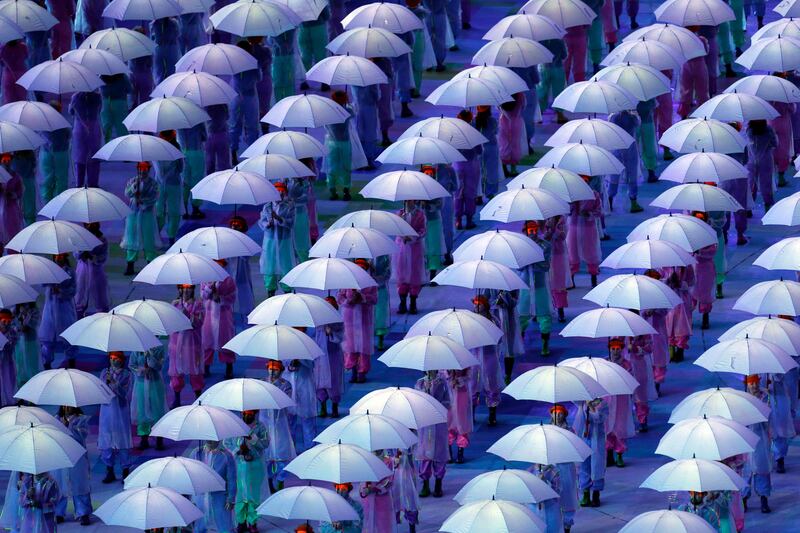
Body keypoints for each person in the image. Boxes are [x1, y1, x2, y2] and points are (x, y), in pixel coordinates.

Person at [226, 410, 268, 533]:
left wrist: (253, 439)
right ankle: (241, 522)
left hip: (255, 466)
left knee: (253, 496)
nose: (246, 416)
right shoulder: (235, 426)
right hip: (239, 466)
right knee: (240, 495)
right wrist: (237, 450)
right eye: (245, 414)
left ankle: (253, 522)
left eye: (249, 414)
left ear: (255, 414)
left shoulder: (260, 427)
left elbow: (265, 444)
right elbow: (227, 442)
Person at [338, 259, 378, 383]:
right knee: (350, 346)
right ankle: (353, 370)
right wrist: (348, 301)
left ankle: (362, 372)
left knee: (364, 347)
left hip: (364, 319)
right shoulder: (346, 282)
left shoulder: (370, 284)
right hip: (349, 319)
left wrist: (362, 297)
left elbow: (374, 299)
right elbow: (340, 298)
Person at [261, 360, 296, 493]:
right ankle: (269, 480)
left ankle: (280, 479)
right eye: (270, 368)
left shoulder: (285, 385)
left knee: (282, 453)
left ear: (281, 371)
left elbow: (284, 402)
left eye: (275, 369)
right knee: (267, 453)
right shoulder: (262, 383)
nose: (272, 371)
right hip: (264, 421)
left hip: (279, 422)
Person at [186, 440, 237, 533]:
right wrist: (191, 498)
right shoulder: (196, 453)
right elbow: (190, 475)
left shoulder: (226, 456)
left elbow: (232, 479)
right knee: (199, 525)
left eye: (212, 439)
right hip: (200, 497)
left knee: (224, 525)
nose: (209, 440)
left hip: (220, 497)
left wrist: (231, 498)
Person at [121, 162, 162, 276]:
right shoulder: (132, 181)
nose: (143, 171)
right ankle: (130, 264)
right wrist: (134, 188)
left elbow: (155, 196)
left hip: (147, 213)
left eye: (145, 168)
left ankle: (151, 265)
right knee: (132, 237)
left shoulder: (153, 183)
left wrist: (144, 202)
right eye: (140, 168)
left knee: (148, 238)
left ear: (148, 170)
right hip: (134, 212)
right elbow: (127, 193)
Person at [54, 406, 92, 526]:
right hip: (61, 455)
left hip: (77, 456)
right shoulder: (56, 419)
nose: (67, 407)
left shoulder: (81, 419)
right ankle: (58, 512)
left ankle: (83, 512)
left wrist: (70, 427)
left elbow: (82, 436)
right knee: (59, 482)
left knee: (79, 482)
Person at [519, 221, 553, 355]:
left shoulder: (545, 245)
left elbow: (546, 266)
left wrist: (533, 261)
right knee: (522, 315)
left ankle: (545, 344)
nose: (532, 232)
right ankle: (520, 343)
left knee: (544, 315)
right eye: (530, 230)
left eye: (534, 230)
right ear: (526, 231)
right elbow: (518, 266)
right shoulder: (520, 246)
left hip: (539, 285)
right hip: (525, 285)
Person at [99, 351, 133, 484]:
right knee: (107, 439)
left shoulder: (126, 374)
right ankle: (110, 470)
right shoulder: (104, 372)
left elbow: (125, 393)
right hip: (107, 411)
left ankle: (125, 471)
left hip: (120, 411)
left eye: (116, 358)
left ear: (122, 360)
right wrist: (106, 383)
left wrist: (114, 383)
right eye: (111, 358)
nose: (113, 361)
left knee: (122, 439)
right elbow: (100, 389)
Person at [39, 254, 78, 369]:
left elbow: (73, 290)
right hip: (50, 307)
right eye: (56, 256)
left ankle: (72, 363)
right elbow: (42, 283)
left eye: (60, 255)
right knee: (48, 338)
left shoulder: (70, 272)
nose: (58, 258)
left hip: (64, 307)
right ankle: (47, 364)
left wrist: (60, 291)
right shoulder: (49, 269)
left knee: (68, 336)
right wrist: (50, 280)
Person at [168, 284, 205, 408]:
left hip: (192, 344)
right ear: (180, 289)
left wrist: (187, 314)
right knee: (176, 372)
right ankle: (176, 397)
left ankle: (198, 397)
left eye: (189, 287)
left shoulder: (198, 304)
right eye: (184, 287)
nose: (186, 290)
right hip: (176, 343)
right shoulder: (174, 304)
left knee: (195, 371)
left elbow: (199, 323)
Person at [415, 370, 449, 498]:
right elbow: (417, 400)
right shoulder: (420, 383)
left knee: (439, 452)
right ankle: (425, 483)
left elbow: (448, 402)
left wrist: (437, 405)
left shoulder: (442, 382)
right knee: (424, 451)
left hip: (438, 421)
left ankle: (438, 482)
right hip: (425, 421)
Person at [259, 181, 296, 296]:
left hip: (284, 241)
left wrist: (279, 219)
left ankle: (287, 291)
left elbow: (291, 223)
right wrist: (267, 224)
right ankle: (270, 291)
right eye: (277, 192)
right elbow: (262, 221)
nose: (279, 194)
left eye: (282, 192)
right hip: (270, 241)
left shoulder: (289, 206)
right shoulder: (267, 206)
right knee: (270, 264)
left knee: (286, 264)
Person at [201, 264, 237, 379]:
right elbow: (202, 295)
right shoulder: (206, 279)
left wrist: (221, 299)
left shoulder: (228, 280)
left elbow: (233, 297)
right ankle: (205, 366)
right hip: (209, 314)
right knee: (207, 341)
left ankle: (229, 367)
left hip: (224, 315)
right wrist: (209, 289)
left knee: (226, 341)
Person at [229, 40, 261, 164]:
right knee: (252, 126)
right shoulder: (253, 63)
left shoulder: (232, 62)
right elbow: (259, 78)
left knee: (234, 125)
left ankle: (233, 152)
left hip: (236, 97)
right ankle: (251, 154)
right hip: (250, 97)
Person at [471, 295, 502, 426]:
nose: (476, 306)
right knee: (472, 384)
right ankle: (470, 414)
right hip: (474, 357)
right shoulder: (469, 321)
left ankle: (492, 413)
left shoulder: (493, 321)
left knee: (491, 383)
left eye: (479, 304)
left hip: (489, 355)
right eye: (475, 304)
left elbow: (499, 338)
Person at [743, 374, 772, 513]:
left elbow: (769, 417)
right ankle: (743, 499)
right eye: (751, 382)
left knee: (762, 468)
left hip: (761, 439)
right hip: (745, 440)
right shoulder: (741, 400)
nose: (753, 385)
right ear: (747, 384)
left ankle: (764, 499)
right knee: (744, 470)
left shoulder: (765, 398)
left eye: (755, 382)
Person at [130, 343, 166, 451]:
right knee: (142, 410)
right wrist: (140, 370)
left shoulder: (159, 348)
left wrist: (150, 355)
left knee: (157, 410)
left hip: (155, 383)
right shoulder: (136, 348)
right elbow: (131, 365)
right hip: (141, 383)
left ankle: (159, 438)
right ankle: (144, 438)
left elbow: (159, 366)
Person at [567, 176, 602, 288]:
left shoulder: (594, 195)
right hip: (574, 226)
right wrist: (572, 204)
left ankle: (593, 277)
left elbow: (599, 211)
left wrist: (589, 214)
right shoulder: (573, 197)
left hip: (588, 228)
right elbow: (566, 211)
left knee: (591, 252)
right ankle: (571, 278)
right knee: (572, 252)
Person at [574, 398, 609, 507]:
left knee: (597, 467)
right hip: (584, 439)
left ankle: (596, 494)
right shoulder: (581, 402)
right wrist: (585, 405)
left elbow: (599, 418)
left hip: (596, 440)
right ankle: (585, 493)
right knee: (584, 466)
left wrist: (592, 408)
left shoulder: (603, 404)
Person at [606, 339, 635, 467]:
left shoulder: (627, 365)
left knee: (619, 427)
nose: (616, 351)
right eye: (613, 349)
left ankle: (619, 454)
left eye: (618, 349)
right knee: (607, 427)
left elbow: (630, 381)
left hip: (622, 399)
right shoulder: (604, 364)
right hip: (608, 399)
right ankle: (608, 453)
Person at [394, 200, 427, 315]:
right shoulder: (399, 214)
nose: (408, 202)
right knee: (402, 273)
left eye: (410, 200)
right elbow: (395, 229)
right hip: (402, 248)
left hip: (414, 248)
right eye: (406, 200)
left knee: (414, 273)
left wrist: (413, 237)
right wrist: (402, 236)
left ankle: (413, 302)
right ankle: (402, 302)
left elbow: (423, 230)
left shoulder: (420, 214)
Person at [608, 109, 643, 212]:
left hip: (616, 147)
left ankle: (609, 201)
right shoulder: (633, 117)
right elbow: (638, 123)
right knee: (632, 174)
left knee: (614, 176)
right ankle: (633, 202)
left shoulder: (613, 117)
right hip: (630, 148)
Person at [550, 405, 579, 532]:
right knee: (553, 498)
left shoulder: (569, 431)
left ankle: (567, 525)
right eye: (554, 413)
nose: (557, 416)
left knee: (568, 496)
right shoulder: (546, 431)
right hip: (552, 467)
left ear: (564, 415)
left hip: (566, 467)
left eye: (560, 413)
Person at [487, 288, 524, 385]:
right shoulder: (489, 284)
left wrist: (506, 296)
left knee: (509, 347)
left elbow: (514, 302)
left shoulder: (512, 285)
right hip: (494, 319)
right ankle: (494, 375)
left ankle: (508, 375)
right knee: (494, 348)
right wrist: (496, 302)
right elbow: (486, 301)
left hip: (509, 319)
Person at [315, 299, 345, 418]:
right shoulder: (318, 322)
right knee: (319, 381)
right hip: (320, 356)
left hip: (333, 356)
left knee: (333, 381)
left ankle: (334, 406)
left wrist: (331, 332)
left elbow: (340, 337)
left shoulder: (338, 322)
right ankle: (322, 404)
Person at [453, 110, 482, 229]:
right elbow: (479, 151)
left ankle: (458, 220)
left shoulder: (453, 133)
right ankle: (469, 220)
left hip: (457, 166)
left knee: (458, 194)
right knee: (470, 193)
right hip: (471, 165)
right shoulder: (473, 133)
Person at [74, 222, 109, 318]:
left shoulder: (102, 239)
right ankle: (79, 316)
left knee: (98, 295)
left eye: (93, 224)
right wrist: (82, 252)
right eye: (88, 224)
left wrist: (92, 256)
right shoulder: (81, 237)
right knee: (80, 294)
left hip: (95, 271)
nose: (90, 226)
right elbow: (76, 254)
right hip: (82, 270)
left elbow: (103, 257)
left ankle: (101, 317)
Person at [154, 131, 184, 245]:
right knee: (174, 212)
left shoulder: (155, 149)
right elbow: (181, 168)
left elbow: (158, 171)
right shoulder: (176, 148)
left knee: (159, 211)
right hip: (174, 184)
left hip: (159, 185)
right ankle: (171, 239)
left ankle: (156, 237)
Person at [325, 90, 355, 200]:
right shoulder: (347, 110)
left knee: (332, 167)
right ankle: (346, 191)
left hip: (331, 142)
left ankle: (332, 191)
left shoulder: (327, 112)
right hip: (345, 142)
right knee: (346, 167)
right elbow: (353, 113)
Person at [69, 90, 102, 188]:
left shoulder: (75, 96)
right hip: (94, 128)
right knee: (94, 156)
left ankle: (79, 183)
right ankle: (93, 183)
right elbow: (99, 111)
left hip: (79, 128)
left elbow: (71, 112)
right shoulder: (97, 97)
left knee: (79, 156)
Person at [226, 216, 255, 323]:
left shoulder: (246, 240)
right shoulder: (228, 239)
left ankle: (247, 313)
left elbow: (246, 256)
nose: (235, 226)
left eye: (237, 225)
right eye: (233, 225)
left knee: (244, 292)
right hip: (230, 269)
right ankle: (230, 313)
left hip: (242, 271)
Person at [40, 102, 70, 204]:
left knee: (47, 175)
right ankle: (61, 200)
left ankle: (47, 198)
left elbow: (41, 136)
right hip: (61, 153)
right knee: (61, 177)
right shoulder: (62, 122)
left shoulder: (43, 123)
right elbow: (68, 135)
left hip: (46, 153)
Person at [676, 28, 709, 119]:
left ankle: (684, 114)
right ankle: (703, 113)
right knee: (702, 91)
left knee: (686, 90)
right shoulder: (701, 39)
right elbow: (706, 52)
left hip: (686, 65)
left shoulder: (682, 41)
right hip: (700, 65)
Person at [287, 352, 317, 453]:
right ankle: (290, 450)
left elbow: (312, 364)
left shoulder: (305, 345)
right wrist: (289, 363)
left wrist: (300, 360)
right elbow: (280, 363)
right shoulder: (283, 344)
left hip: (305, 386)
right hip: (289, 385)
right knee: (289, 421)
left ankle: (310, 450)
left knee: (308, 420)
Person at [746, 119, 778, 210]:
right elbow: (775, 144)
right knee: (766, 183)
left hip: (751, 160)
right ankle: (767, 206)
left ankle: (749, 207)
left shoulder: (749, 130)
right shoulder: (768, 129)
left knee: (751, 183)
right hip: (766, 159)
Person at [767, 372, 795, 474]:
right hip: (763, 399)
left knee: (780, 430)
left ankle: (779, 458)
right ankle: (767, 459)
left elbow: (790, 383)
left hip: (779, 398)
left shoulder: (780, 365)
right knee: (765, 432)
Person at [664, 265, 694, 362]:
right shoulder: (662, 265)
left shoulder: (686, 266)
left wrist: (680, 283)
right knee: (669, 324)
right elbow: (658, 280)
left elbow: (691, 282)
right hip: (668, 298)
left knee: (681, 325)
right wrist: (667, 281)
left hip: (682, 299)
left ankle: (680, 350)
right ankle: (671, 350)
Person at [178, 122, 207, 220]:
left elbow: (179, 138)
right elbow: (204, 137)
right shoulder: (198, 118)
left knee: (185, 181)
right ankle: (196, 208)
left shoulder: (178, 119)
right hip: (197, 151)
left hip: (183, 152)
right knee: (197, 181)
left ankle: (184, 209)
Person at [626, 333, 655, 432]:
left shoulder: (644, 334)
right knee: (623, 398)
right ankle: (625, 424)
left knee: (640, 397)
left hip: (639, 368)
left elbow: (650, 348)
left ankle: (643, 421)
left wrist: (636, 348)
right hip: (624, 367)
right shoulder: (620, 335)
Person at [359, 454, 394, 533]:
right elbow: (361, 483)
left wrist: (375, 489)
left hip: (381, 501)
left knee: (382, 524)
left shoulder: (386, 462)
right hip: (368, 501)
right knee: (369, 523)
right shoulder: (364, 463)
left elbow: (389, 482)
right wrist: (364, 490)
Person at [544, 214, 569, 322]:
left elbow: (563, 236)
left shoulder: (561, 220)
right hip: (545, 255)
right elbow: (540, 236)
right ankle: (542, 309)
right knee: (544, 283)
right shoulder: (540, 220)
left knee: (558, 283)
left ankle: (560, 309)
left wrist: (554, 229)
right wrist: (546, 232)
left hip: (558, 255)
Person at [537, 37, 568, 123]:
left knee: (541, 91)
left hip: (543, 68)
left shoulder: (539, 40)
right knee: (559, 92)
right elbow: (564, 55)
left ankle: (539, 114)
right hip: (557, 68)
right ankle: (560, 115)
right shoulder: (559, 40)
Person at [299, 6, 330, 89]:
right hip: (318, 27)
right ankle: (324, 83)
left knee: (305, 56)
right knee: (320, 56)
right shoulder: (319, 2)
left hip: (303, 28)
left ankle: (304, 82)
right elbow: (327, 15)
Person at [388, 449, 419, 533]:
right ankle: (393, 527)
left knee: (410, 499)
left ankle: (412, 525)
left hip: (407, 473)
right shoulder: (386, 441)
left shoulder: (406, 440)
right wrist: (392, 460)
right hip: (393, 475)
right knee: (394, 500)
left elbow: (413, 454)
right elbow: (386, 457)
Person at [446, 367, 473, 464]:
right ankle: (448, 452)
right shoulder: (444, 361)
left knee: (461, 421)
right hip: (448, 393)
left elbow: (469, 375)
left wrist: (459, 380)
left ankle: (460, 451)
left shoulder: (464, 360)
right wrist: (448, 377)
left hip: (461, 393)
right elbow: (441, 374)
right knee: (449, 421)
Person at [248, 37, 272, 133]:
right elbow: (270, 62)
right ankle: (265, 129)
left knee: (253, 107)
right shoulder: (266, 50)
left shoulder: (246, 52)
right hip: (265, 80)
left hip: (252, 81)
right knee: (265, 106)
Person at [353, 82, 381, 167]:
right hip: (369, 106)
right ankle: (368, 159)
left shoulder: (354, 77)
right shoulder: (371, 78)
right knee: (370, 132)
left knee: (359, 132)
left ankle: (360, 159)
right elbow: (376, 95)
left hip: (357, 105)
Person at [499, 94, 526, 177]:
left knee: (503, 144)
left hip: (504, 121)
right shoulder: (520, 95)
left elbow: (498, 107)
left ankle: (504, 167)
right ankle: (513, 169)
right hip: (516, 122)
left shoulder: (501, 94)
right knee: (515, 144)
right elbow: (524, 106)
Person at [13, 302, 40, 388]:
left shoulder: (34, 311)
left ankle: (33, 390)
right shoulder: (15, 311)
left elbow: (35, 324)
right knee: (20, 366)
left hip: (30, 341)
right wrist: (17, 327)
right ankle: (21, 390)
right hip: (19, 343)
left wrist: (26, 316)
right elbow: (13, 326)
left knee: (32, 365)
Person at [0, 153, 23, 254]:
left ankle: (13, 255)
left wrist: (14, 194)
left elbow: (20, 191)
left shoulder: (15, 176)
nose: (7, 162)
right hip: (0, 208)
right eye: (4, 160)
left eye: (9, 159)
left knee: (13, 233)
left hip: (11, 210)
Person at [475, 106, 500, 199]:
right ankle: (490, 193)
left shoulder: (474, 121)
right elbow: (496, 132)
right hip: (491, 148)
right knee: (491, 171)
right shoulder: (493, 121)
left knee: (480, 170)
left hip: (479, 148)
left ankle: (479, 194)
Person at [100, 73, 132, 142]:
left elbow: (100, 91)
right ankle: (124, 147)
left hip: (106, 103)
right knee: (122, 129)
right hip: (120, 103)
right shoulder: (123, 76)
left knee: (107, 127)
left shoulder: (101, 76)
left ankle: (107, 146)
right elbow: (130, 90)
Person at [269, 28, 297, 102]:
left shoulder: (287, 27)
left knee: (284, 80)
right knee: (282, 80)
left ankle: (286, 101)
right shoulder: (289, 25)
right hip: (281, 56)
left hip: (283, 56)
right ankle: (284, 101)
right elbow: (269, 41)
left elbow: (270, 41)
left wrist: (275, 40)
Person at [289, 175, 312, 263]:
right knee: (290, 245)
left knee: (301, 243)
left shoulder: (305, 183)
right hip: (288, 215)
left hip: (300, 216)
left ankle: (304, 264)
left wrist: (292, 200)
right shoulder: (285, 182)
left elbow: (306, 198)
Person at [129, 28, 155, 108]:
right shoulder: (147, 47)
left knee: (133, 101)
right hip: (145, 76)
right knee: (145, 102)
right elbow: (150, 63)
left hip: (133, 76)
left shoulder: (129, 48)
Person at [151, 17, 180, 84]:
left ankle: (160, 89)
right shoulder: (174, 23)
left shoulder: (154, 24)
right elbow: (178, 34)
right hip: (171, 49)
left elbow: (152, 38)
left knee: (159, 73)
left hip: (159, 49)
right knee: (172, 71)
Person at [10, 150, 36, 226]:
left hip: (22, 182)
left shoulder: (15, 158)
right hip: (26, 181)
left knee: (26, 209)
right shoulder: (28, 154)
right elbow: (34, 164)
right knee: (29, 209)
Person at [204, 103, 231, 175]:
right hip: (222, 134)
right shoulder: (223, 104)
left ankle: (209, 179)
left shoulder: (206, 105)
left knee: (210, 162)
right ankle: (223, 179)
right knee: (224, 163)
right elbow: (228, 116)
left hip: (210, 135)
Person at [374, 57, 395, 146]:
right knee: (383, 112)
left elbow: (390, 77)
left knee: (384, 113)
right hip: (377, 90)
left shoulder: (385, 61)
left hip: (382, 89)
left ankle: (384, 136)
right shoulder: (366, 63)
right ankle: (383, 136)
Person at [0, 39, 28, 104]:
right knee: (22, 99)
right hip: (21, 74)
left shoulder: (3, 48)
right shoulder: (23, 46)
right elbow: (26, 56)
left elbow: (1, 63)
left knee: (10, 99)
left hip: (8, 75)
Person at [423, 0, 448, 72]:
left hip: (427, 14)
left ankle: (429, 63)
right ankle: (439, 63)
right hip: (440, 14)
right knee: (440, 39)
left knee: (428, 39)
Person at [373, 255, 391, 350]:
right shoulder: (360, 254)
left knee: (380, 316)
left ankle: (380, 339)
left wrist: (379, 277)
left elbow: (388, 273)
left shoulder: (384, 256)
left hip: (380, 289)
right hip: (366, 291)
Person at [0, 309, 17, 407]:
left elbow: (12, 346)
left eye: (8, 322)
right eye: (3, 321)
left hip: (7, 362)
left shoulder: (11, 332)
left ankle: (8, 400)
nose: (6, 324)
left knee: (8, 380)